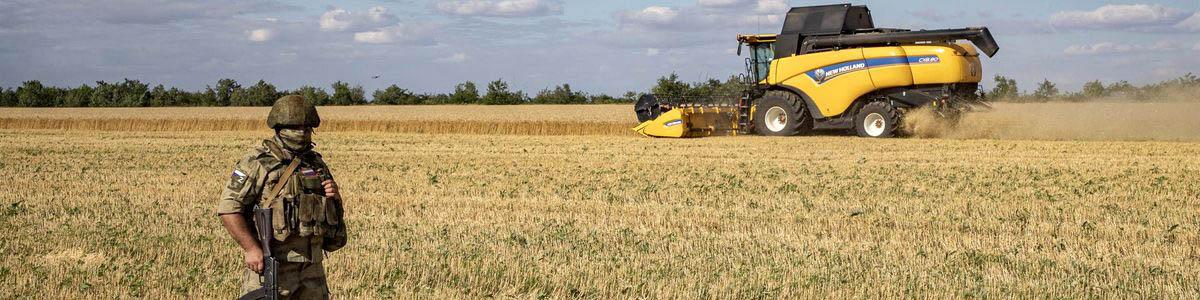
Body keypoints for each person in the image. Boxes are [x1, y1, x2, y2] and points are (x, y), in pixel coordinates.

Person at [216, 95, 346, 299]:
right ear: (279, 127)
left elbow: (333, 230)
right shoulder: (257, 162)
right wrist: (251, 248)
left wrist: (334, 198)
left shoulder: (315, 164)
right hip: (274, 266)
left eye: (307, 127)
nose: (302, 133)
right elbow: (229, 208)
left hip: (312, 270)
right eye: (295, 127)